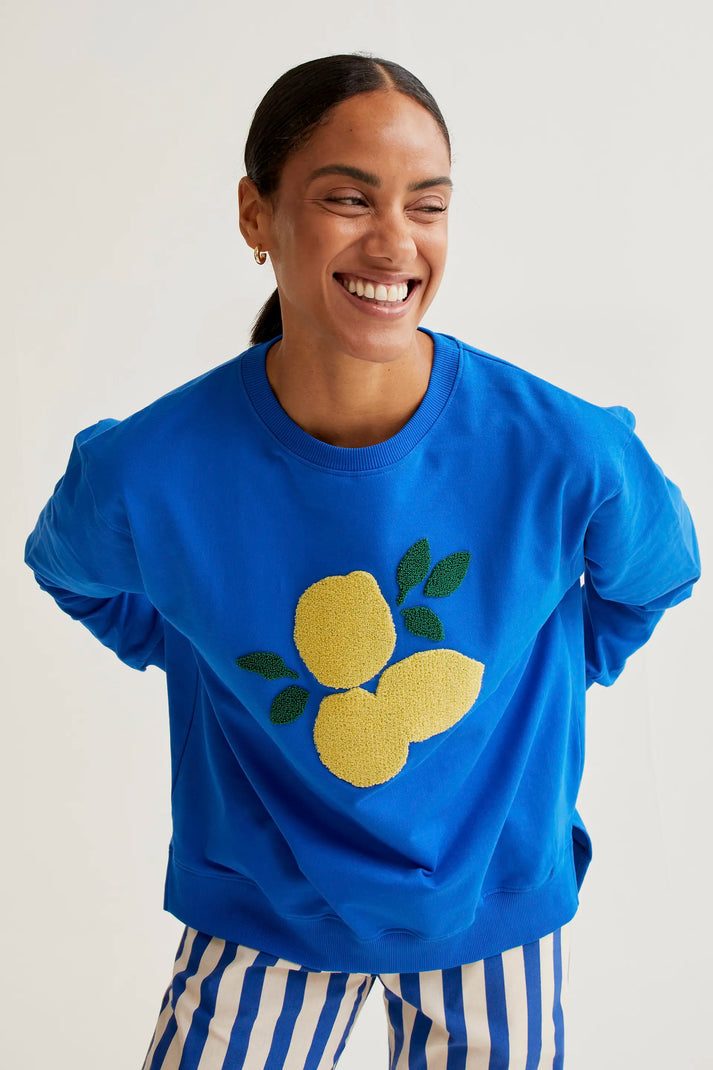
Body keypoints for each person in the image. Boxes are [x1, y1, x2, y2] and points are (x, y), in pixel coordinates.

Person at [24, 53, 700, 1070]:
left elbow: (655, 571)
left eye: (426, 205)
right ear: (255, 215)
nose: (394, 242)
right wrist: (192, 648)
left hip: (493, 903)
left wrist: (554, 668)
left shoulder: (564, 453)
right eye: (347, 198)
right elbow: (71, 569)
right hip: (258, 907)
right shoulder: (148, 470)